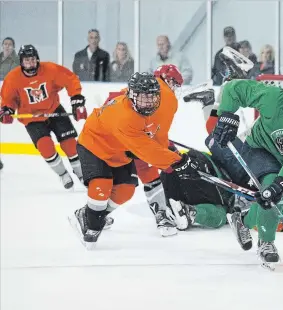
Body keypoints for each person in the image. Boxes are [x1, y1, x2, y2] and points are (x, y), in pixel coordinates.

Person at [206, 68, 283, 269]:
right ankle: (266, 243)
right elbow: (234, 87)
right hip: (257, 150)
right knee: (271, 184)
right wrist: (226, 114)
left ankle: (242, 220)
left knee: (276, 199)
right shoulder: (273, 98)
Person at [68, 72, 200, 248]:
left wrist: (171, 156)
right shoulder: (124, 116)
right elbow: (146, 150)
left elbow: (156, 136)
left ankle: (90, 214)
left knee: (125, 191)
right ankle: (90, 221)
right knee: (102, 186)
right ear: (131, 95)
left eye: (152, 97)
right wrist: (177, 162)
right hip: (95, 145)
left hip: (121, 150)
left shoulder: (164, 102)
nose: (149, 102)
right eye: (144, 97)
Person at [101, 64, 185, 237]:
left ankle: (95, 215)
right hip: (130, 141)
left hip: (110, 140)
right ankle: (162, 216)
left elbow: (112, 99)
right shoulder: (168, 98)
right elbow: (158, 135)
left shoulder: (140, 87)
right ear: (168, 80)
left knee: (117, 185)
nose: (175, 89)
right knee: (147, 174)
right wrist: (168, 156)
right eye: (175, 84)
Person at [0, 44, 86, 189]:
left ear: (37, 59)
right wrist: (7, 110)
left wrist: (76, 98)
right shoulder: (13, 78)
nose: (30, 63)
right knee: (45, 147)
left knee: (70, 145)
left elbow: (70, 79)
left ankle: (83, 174)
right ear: (21, 62)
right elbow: (8, 100)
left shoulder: (50, 69)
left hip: (54, 111)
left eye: (33, 60)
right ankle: (63, 174)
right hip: (32, 119)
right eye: (27, 60)